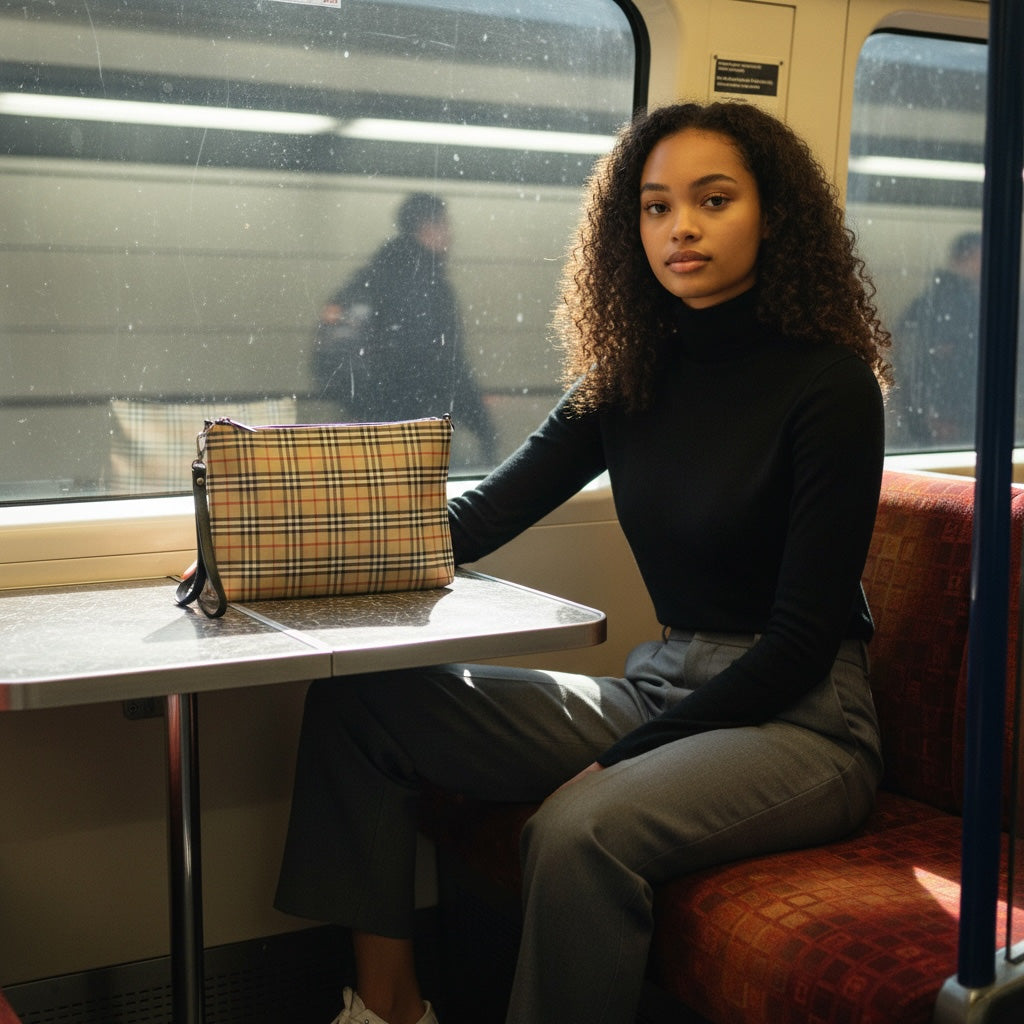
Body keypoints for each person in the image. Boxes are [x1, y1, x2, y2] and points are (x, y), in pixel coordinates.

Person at [275, 100, 893, 1024]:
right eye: (654, 207)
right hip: (665, 684)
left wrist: (622, 763)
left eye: (713, 199)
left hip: (803, 721)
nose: (680, 226)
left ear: (775, 214)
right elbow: (479, 517)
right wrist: (285, 550)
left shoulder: (830, 385)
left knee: (575, 830)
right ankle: (391, 1008)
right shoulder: (628, 375)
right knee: (363, 708)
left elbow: (801, 643)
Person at [312, 192, 499, 465]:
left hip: (371, 426)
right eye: (445, 225)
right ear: (427, 227)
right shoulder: (428, 284)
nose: (451, 236)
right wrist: (484, 429)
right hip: (417, 428)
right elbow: (446, 364)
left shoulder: (370, 276)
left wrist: (367, 407)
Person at [888, 230, 982, 449]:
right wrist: (939, 412)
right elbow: (944, 359)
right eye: (981, 257)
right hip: (944, 410)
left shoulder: (935, 297)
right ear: (965, 257)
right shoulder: (953, 301)